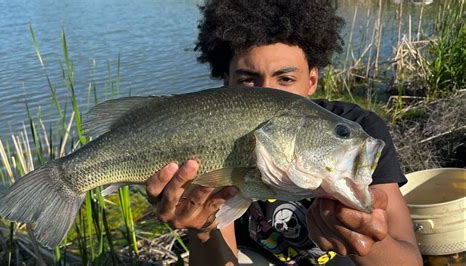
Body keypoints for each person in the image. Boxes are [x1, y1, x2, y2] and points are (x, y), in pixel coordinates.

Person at [146, 0, 423, 265]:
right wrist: (202, 228)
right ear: (226, 82)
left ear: (312, 79)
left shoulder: (358, 130)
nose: (268, 94)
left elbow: (408, 260)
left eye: (286, 79)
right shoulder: (210, 135)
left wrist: (367, 240)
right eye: (247, 80)